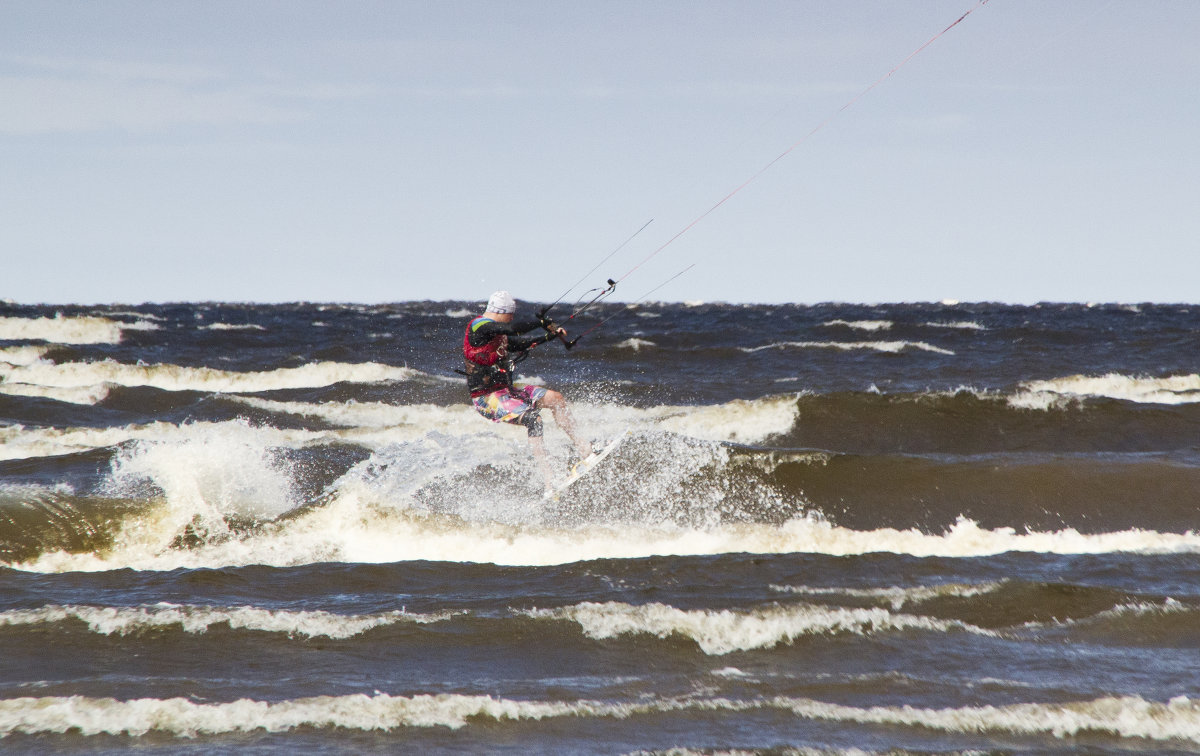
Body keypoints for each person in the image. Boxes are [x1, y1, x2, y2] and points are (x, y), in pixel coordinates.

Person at [463, 290, 595, 491]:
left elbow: (520, 343)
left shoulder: (498, 334)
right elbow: (513, 330)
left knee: (556, 399)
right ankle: (550, 481)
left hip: (508, 390)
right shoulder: (479, 326)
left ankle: (586, 450)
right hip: (487, 398)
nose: (512, 317)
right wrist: (540, 323)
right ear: (502, 311)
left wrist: (551, 336)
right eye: (511, 314)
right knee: (534, 419)